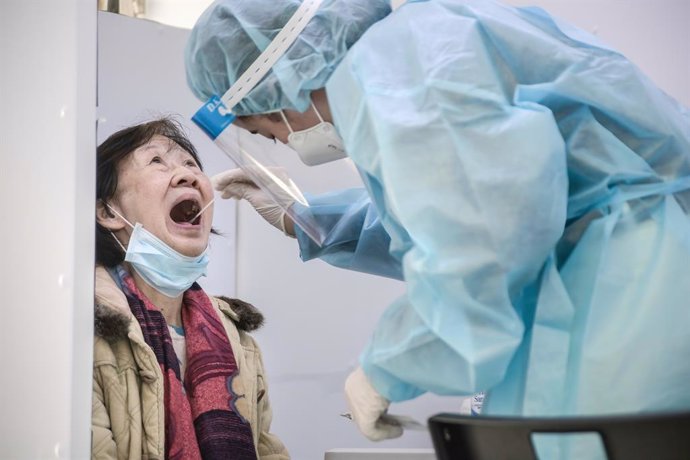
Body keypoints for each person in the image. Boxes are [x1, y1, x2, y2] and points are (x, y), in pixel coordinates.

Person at [184, 0, 690, 451]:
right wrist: (307, 218)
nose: (288, 141)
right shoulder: (414, 49)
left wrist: (386, 368)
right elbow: (465, 208)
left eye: (269, 131)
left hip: (629, 292)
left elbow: (483, 245)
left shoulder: (401, 76)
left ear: (281, 84)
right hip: (630, 272)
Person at [92, 117, 289, 459]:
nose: (188, 175)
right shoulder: (86, 331)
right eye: (156, 161)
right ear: (108, 212)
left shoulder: (239, 341)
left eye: (190, 163)